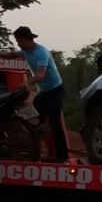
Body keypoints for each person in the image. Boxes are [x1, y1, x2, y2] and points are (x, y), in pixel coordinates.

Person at [12, 25, 70, 161]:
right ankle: (34, 152)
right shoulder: (25, 51)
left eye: (19, 41)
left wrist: (27, 83)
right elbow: (13, 54)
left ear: (26, 39)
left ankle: (62, 156)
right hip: (43, 92)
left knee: (55, 123)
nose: (18, 44)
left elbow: (40, 74)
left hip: (55, 91)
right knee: (33, 121)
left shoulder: (41, 52)